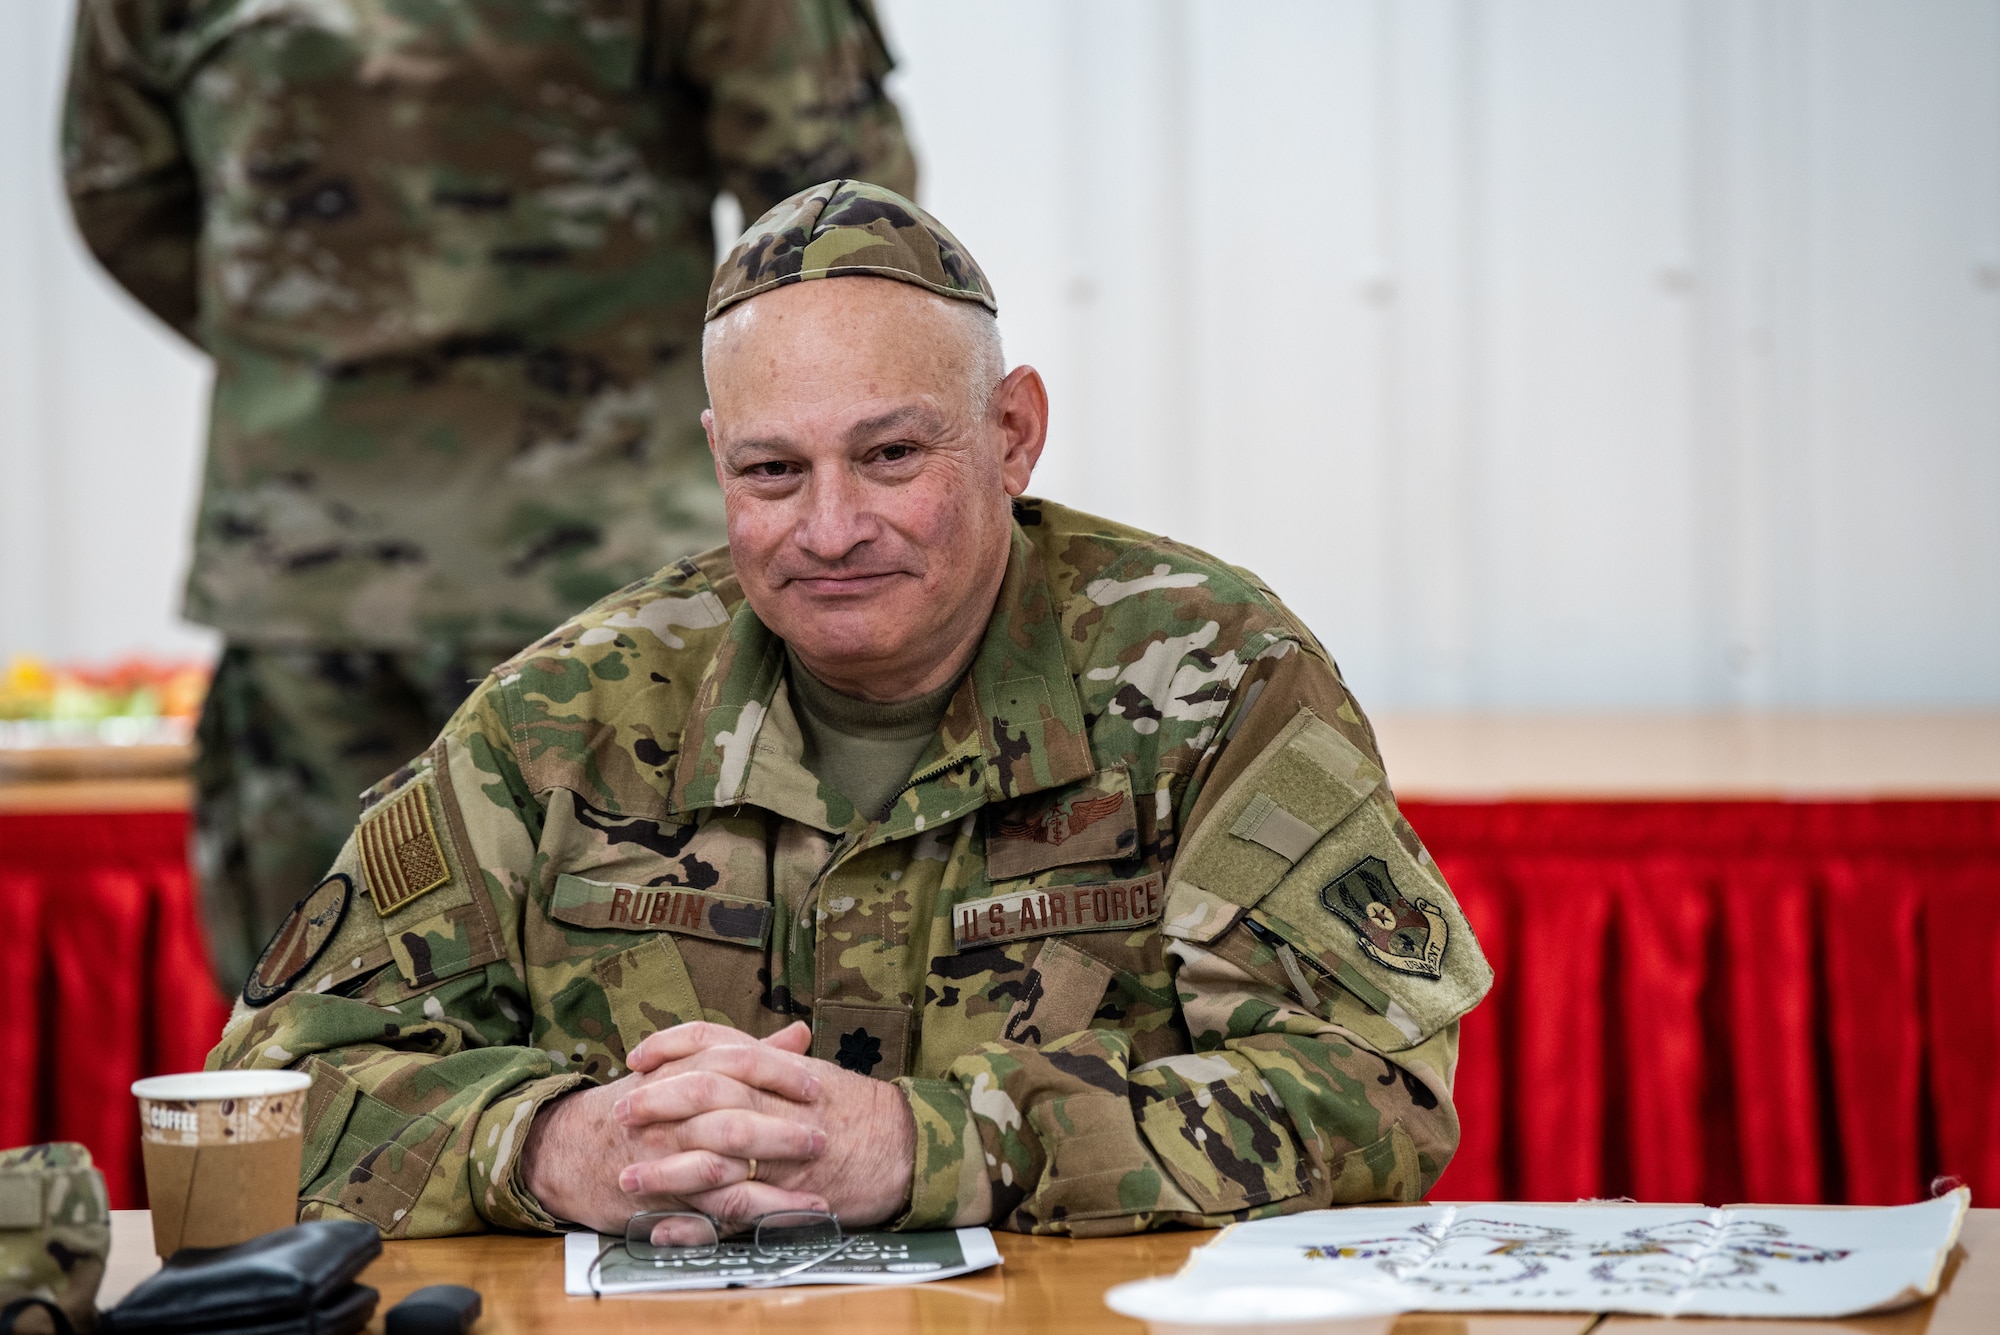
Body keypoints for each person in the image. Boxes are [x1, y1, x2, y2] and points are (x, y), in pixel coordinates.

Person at [209, 181, 1493, 1239]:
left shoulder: (1208, 677)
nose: (831, 531)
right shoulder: (563, 714)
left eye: (890, 456)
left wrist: (931, 1145)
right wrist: (547, 1146)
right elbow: (263, 1095)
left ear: (1011, 433)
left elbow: (1371, 1092)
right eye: (773, 473)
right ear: (717, 462)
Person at [61, 0, 917, 993]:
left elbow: (122, 193)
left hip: (317, 554)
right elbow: (838, 210)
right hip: (618, 562)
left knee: (320, 1024)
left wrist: (320, 342)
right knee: (669, 1027)